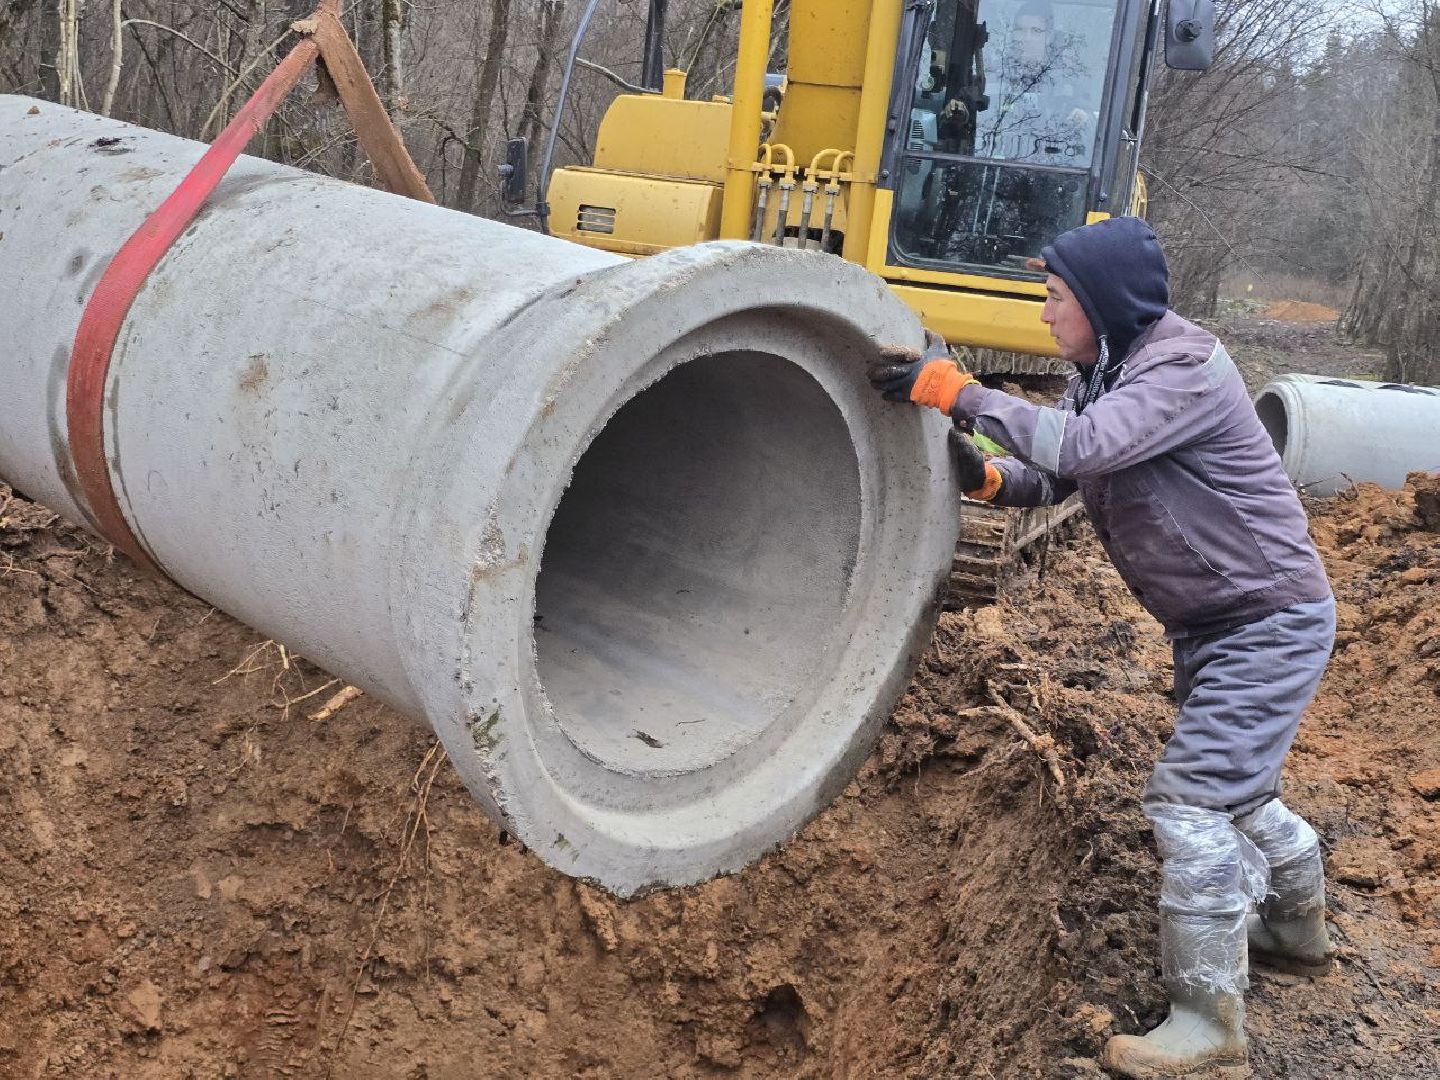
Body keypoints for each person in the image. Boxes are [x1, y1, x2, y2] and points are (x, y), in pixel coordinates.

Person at [868, 216, 1337, 1078]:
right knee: (1239, 788)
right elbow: (1064, 473)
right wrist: (992, 477)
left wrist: (962, 393)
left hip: (1266, 619)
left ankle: (1209, 1022)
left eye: (1054, 298)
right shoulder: (1108, 370)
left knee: (1191, 799)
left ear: (1102, 303)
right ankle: (1296, 929)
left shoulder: (1182, 370)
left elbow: (1085, 446)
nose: (1044, 315)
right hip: (1218, 621)